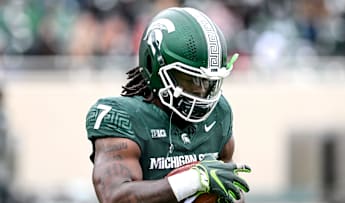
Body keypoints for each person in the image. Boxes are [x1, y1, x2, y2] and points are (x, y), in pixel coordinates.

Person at [85, 7, 251, 203]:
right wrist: (195, 180)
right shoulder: (123, 117)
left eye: (209, 83)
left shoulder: (219, 113)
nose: (201, 93)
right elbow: (114, 197)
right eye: (190, 80)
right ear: (154, 65)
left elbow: (230, 188)